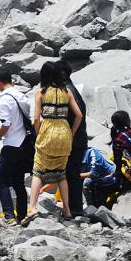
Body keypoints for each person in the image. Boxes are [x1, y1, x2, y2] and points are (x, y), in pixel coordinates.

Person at [25, 62, 83, 223]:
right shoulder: (66, 91)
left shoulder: (40, 92)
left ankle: (32, 208)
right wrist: (71, 133)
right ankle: (67, 210)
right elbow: (79, 115)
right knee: (61, 173)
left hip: (48, 130)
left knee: (38, 171)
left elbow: (36, 118)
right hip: (64, 132)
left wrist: (38, 135)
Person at [0, 69, 32, 224]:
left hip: (11, 144)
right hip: (24, 144)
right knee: (18, 182)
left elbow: (6, 124)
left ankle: (10, 216)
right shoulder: (21, 96)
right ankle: (23, 216)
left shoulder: (5, 99)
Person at [89, 111, 131, 207]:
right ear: (128, 121)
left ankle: (101, 212)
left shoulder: (118, 139)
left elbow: (118, 164)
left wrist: (112, 176)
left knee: (95, 185)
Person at [56, 60, 88, 216]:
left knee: (70, 174)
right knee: (71, 174)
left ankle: (74, 209)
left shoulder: (67, 91)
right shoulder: (71, 88)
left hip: (73, 142)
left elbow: (78, 116)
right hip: (78, 140)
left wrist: (70, 134)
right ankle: (74, 207)